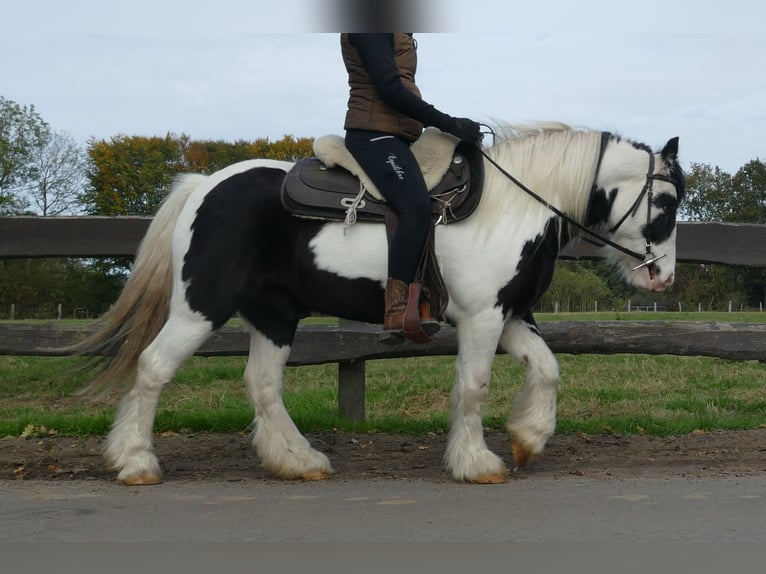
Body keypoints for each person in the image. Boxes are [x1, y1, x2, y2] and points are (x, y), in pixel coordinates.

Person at [341, 33, 483, 344]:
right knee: (416, 206)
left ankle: (424, 294)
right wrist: (449, 123)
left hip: (398, 135)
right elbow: (390, 88)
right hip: (373, 134)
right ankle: (396, 309)